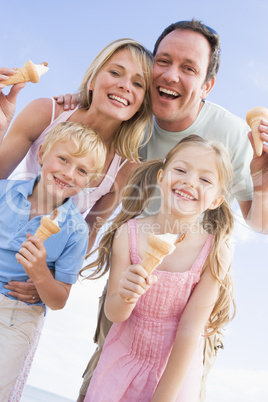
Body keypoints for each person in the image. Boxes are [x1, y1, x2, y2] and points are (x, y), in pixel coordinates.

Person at [61, 19, 267, 402]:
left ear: (206, 86)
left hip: (193, 302)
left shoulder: (233, 134)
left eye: (189, 68)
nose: (171, 75)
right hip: (131, 295)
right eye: (164, 61)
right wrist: (80, 103)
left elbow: (260, 223)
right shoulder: (132, 120)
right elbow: (85, 179)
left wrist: (262, 182)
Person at [0, 38, 153, 398]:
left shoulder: (126, 165)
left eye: (137, 83)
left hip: (26, 294)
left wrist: (47, 279)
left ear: (143, 101)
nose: (123, 86)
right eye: (115, 72)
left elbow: (91, 227)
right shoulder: (48, 112)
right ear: (93, 77)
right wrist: (4, 117)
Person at [81, 135, 236, 402]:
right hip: (122, 361)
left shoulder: (214, 253)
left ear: (215, 201)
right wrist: (126, 295)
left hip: (174, 374)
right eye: (181, 169)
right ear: (161, 177)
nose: (190, 181)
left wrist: (162, 398)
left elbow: (190, 330)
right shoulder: (127, 234)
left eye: (205, 179)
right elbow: (115, 313)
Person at [0, 121, 107, 401]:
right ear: (42, 154)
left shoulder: (76, 231)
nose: (68, 173)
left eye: (82, 170)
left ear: (91, 181)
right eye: (63, 159)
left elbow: (59, 300)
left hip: (18, 315)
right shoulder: (4, 191)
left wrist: (39, 273)